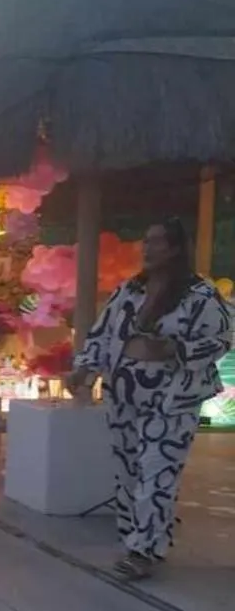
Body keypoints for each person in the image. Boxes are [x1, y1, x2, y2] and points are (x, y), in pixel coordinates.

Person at [68, 216, 232, 580]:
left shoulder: (199, 295)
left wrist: (176, 347)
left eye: (156, 241)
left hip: (172, 398)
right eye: (146, 240)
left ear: (174, 248)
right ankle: (134, 539)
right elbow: (102, 333)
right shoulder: (130, 290)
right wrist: (84, 369)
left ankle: (145, 549)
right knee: (128, 469)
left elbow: (222, 337)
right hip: (125, 393)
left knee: (157, 470)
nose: (147, 247)